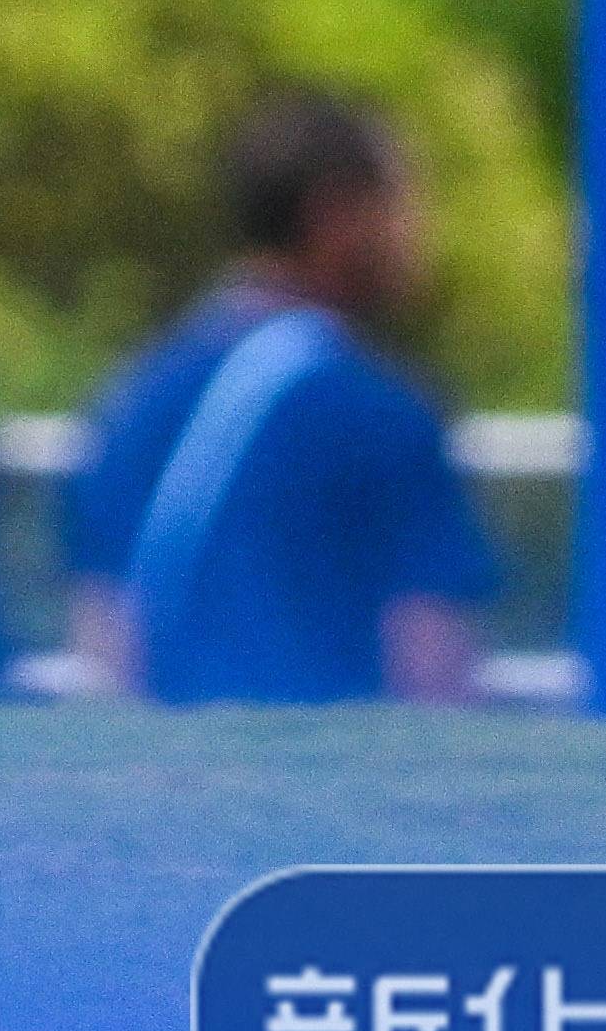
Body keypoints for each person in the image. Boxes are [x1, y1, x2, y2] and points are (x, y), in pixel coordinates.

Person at [60, 85, 503, 706]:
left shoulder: (134, 400)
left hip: (167, 792)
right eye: (403, 203)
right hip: (331, 793)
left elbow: (109, 649)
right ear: (335, 215)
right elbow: (434, 681)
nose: (418, 233)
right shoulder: (379, 416)